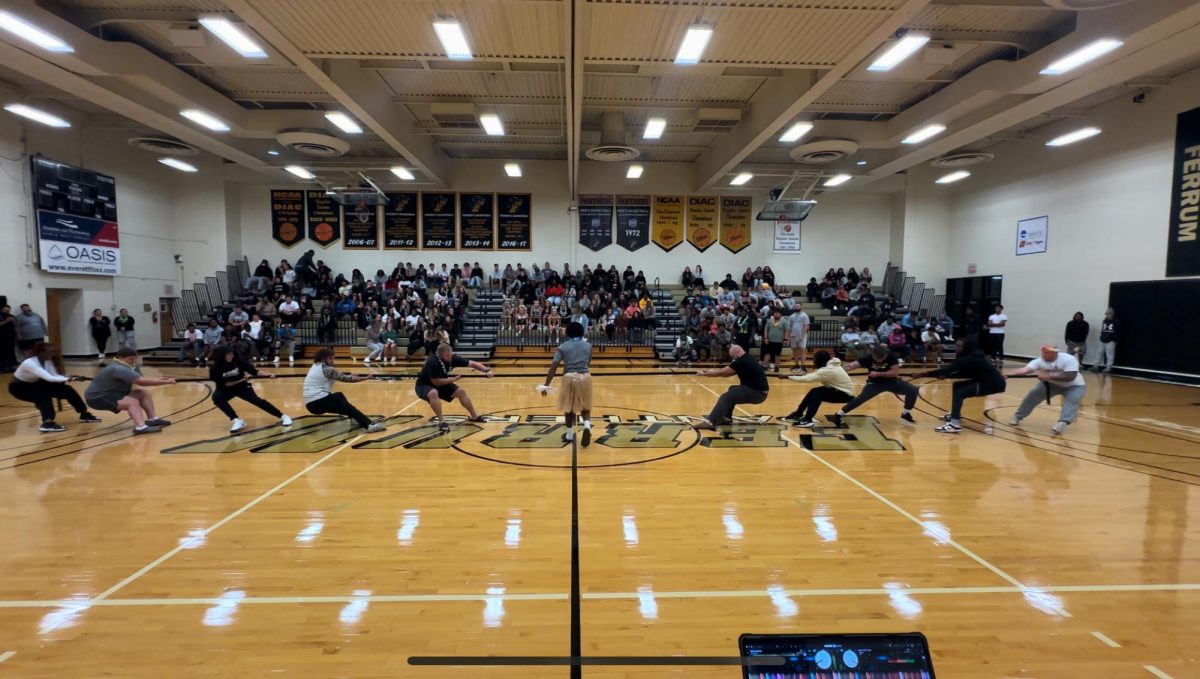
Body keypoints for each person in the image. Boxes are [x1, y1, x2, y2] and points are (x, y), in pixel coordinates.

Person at [917, 338, 1006, 434]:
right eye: (956, 345)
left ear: (966, 348)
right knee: (957, 386)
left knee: (960, 393)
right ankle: (955, 415)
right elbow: (964, 373)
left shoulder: (967, 358)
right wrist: (947, 375)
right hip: (987, 381)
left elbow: (946, 370)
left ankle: (954, 425)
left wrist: (923, 374)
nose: (957, 348)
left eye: (959, 346)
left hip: (992, 384)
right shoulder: (969, 357)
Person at [10, 342, 102, 432]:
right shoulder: (29, 363)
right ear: (40, 352)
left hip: (35, 383)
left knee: (67, 390)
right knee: (43, 397)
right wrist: (71, 378)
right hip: (19, 388)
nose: (52, 354)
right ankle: (47, 423)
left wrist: (70, 377)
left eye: (53, 351)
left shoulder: (47, 360)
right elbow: (49, 378)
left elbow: (54, 375)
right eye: (49, 351)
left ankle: (84, 415)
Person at [84, 347, 175, 434]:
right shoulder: (117, 368)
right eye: (131, 359)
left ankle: (152, 419)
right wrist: (166, 382)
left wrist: (163, 380)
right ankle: (140, 427)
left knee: (142, 393)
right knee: (132, 402)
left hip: (113, 393)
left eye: (134, 359)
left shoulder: (131, 365)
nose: (133, 362)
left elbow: (141, 378)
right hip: (97, 398)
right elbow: (141, 382)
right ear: (120, 358)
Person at [827, 346, 919, 427]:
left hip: (891, 381)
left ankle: (906, 413)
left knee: (913, 390)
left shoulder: (890, 356)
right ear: (873, 355)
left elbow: (895, 372)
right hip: (874, 384)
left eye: (883, 359)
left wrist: (878, 373)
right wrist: (836, 371)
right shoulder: (866, 358)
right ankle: (839, 414)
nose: (881, 361)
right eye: (878, 359)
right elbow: (851, 366)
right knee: (861, 398)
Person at [1005, 344, 1087, 435]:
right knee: (1033, 394)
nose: (1044, 355)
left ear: (1056, 353)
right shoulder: (1039, 361)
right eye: (1043, 352)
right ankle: (1017, 416)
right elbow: (1024, 370)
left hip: (1074, 386)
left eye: (1047, 353)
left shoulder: (1069, 359)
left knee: (1072, 400)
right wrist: (1008, 374)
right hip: (1051, 385)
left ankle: (1062, 423)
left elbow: (1070, 376)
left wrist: (1049, 376)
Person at [210, 347, 292, 433]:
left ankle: (283, 416)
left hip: (242, 387)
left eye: (232, 354)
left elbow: (255, 371)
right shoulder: (215, 368)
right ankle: (236, 420)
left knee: (257, 401)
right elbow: (225, 384)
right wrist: (241, 380)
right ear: (222, 356)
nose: (231, 356)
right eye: (228, 355)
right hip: (226, 388)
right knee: (217, 398)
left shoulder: (238, 361)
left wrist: (269, 374)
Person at [416, 343, 494, 432]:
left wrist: (487, 370)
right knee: (433, 393)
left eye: (450, 355)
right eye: (447, 356)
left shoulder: (452, 358)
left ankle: (474, 416)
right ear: (440, 355)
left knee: (461, 392)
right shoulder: (433, 362)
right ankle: (442, 421)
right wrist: (453, 380)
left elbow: (473, 364)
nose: (450, 358)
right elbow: (436, 382)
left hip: (441, 382)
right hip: (424, 385)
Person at [303, 348, 385, 432]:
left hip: (311, 404)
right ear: (324, 358)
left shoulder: (315, 366)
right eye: (331, 358)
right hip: (317, 402)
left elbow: (341, 376)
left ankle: (353, 418)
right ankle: (368, 425)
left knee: (339, 396)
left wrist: (350, 375)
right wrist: (365, 378)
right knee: (345, 405)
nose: (332, 361)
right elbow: (346, 379)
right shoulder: (328, 369)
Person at [539, 321, 594, 446]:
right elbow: (588, 362)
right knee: (585, 405)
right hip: (585, 377)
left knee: (568, 406)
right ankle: (586, 426)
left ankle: (569, 435)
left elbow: (553, 367)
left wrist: (546, 385)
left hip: (569, 377)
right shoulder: (588, 346)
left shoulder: (562, 347)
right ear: (581, 332)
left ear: (567, 333)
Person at [694, 344, 769, 429]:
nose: (733, 359)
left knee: (726, 397)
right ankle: (726, 417)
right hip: (758, 392)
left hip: (757, 393)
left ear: (737, 352)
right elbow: (729, 373)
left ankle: (710, 422)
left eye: (733, 356)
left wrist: (705, 374)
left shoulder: (741, 361)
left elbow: (722, 373)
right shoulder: (747, 357)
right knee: (732, 389)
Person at [782, 350, 855, 428]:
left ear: (820, 360)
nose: (813, 361)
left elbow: (806, 379)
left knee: (818, 394)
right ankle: (798, 413)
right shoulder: (831, 365)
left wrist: (787, 376)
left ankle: (807, 420)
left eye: (815, 359)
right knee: (814, 391)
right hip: (840, 390)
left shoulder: (828, 370)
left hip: (845, 395)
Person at [787, 304, 811, 372]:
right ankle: (796, 365)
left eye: (798, 306)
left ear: (801, 307)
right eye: (796, 306)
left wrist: (802, 336)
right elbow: (789, 327)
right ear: (794, 307)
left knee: (802, 351)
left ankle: (803, 366)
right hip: (793, 336)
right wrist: (788, 337)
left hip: (802, 336)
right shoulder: (791, 316)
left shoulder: (804, 315)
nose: (797, 307)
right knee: (795, 351)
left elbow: (806, 326)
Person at [1095, 308, 1118, 372]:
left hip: (1110, 341)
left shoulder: (1116, 321)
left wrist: (1114, 340)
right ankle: (1095, 366)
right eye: (1107, 314)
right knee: (1099, 353)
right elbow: (1103, 330)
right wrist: (1101, 337)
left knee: (1109, 355)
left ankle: (1108, 368)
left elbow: (1118, 331)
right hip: (1102, 340)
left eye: (1110, 314)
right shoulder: (1104, 321)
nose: (1108, 315)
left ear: (1112, 314)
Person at [0, 305, 16, 372]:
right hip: (1, 337)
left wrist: (13, 321)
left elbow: (16, 325)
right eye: (6, 310)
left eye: (8, 310)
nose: (7, 311)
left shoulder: (12, 316)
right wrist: (6, 321)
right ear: (1, 310)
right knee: (3, 351)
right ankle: (3, 366)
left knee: (11, 350)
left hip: (11, 337)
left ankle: (12, 365)